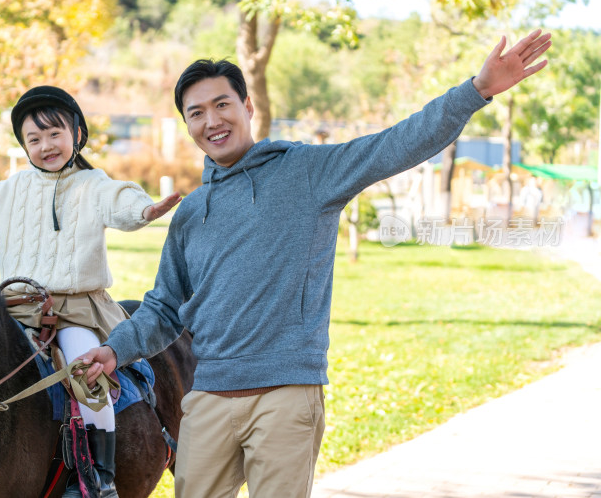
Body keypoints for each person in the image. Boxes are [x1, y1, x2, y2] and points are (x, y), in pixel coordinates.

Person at [77, 29, 552, 498]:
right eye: (196, 113)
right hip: (208, 397)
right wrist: (116, 349)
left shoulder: (307, 173)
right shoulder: (192, 212)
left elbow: (395, 145)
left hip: (286, 395)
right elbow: (163, 308)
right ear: (188, 126)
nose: (212, 120)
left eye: (222, 104)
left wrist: (476, 91)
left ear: (248, 107)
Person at [0, 85, 181, 498]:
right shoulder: (9, 190)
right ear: (24, 145)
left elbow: (121, 198)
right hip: (11, 309)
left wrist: (143, 210)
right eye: (34, 138)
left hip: (76, 311)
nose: (45, 145)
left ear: (76, 133)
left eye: (54, 134)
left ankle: (98, 475)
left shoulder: (92, 185)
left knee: (88, 379)